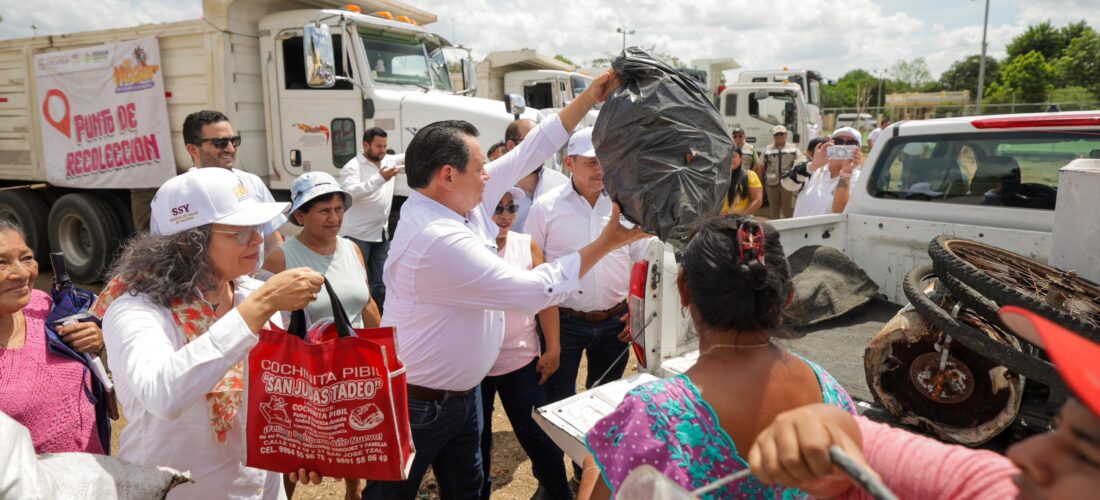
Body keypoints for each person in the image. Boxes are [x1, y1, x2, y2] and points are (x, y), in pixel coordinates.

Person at [365, 70, 645, 500]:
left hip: (460, 398)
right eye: (480, 169)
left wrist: (590, 97)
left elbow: (532, 149)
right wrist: (607, 242)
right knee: (390, 495)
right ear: (447, 175)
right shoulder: (437, 237)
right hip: (422, 405)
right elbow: (531, 290)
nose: (490, 177)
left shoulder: (457, 203)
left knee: (469, 491)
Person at [577, 216, 857, 499]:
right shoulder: (832, 393)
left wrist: (591, 469)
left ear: (684, 289)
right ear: (787, 298)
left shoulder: (652, 416)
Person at [99, 167, 326, 499]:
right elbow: (164, 394)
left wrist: (296, 446)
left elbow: (272, 398)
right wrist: (258, 307)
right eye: (239, 232)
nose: (258, 239)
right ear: (187, 241)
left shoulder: (251, 295)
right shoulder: (136, 310)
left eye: (257, 227)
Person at [745, 305, 1099, 500]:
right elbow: (858, 438)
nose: (1023, 456)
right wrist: (821, 426)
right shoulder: (994, 486)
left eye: (1085, 456)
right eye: (1058, 429)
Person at [264, 172, 379, 500]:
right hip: (305, 375)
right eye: (324, 211)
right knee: (297, 455)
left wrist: (384, 351)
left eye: (339, 209)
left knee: (357, 440)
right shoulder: (280, 259)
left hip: (354, 370)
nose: (335, 217)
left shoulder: (353, 249)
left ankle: (353, 493)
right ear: (300, 216)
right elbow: (263, 315)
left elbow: (366, 302)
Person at [528, 126, 651, 409]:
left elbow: (642, 260)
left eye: (604, 160)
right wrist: (551, 339)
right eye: (591, 162)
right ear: (569, 163)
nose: (600, 169)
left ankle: (590, 454)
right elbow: (536, 268)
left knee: (605, 402)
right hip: (563, 322)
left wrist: (635, 309)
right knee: (558, 403)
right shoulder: (545, 208)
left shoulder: (627, 206)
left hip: (615, 324)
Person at [478, 188, 570, 499]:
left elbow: (546, 299)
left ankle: (558, 493)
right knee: (477, 444)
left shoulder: (526, 245)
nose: (504, 215)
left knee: (539, 438)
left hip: (520, 362)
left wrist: (553, 348)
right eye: (496, 207)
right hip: (475, 369)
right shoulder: (468, 248)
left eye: (510, 207)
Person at [0, 220, 108, 455]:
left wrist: (95, 341)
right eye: (1, 263)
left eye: (26, 258)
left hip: (93, 474)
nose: (22, 273)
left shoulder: (43, 305)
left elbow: (81, 360)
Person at [183, 110, 286, 268]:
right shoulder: (177, 194)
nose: (231, 149)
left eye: (234, 140)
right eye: (220, 142)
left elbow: (273, 241)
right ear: (193, 149)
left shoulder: (253, 183)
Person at [338, 128, 404, 311]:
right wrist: (380, 178)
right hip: (357, 236)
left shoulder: (387, 160)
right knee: (357, 282)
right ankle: (357, 320)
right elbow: (350, 194)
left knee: (382, 282)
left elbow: (408, 156)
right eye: (378, 146)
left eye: (384, 146)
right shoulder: (352, 167)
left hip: (380, 234)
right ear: (365, 145)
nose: (382, 150)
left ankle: (380, 321)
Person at [506, 118, 569, 232]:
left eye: (544, 143)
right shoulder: (493, 187)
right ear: (511, 146)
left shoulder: (563, 184)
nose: (542, 149)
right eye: (533, 142)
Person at [791, 127, 865, 218]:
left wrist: (846, 173)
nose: (843, 146)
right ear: (830, 144)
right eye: (838, 141)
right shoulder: (813, 170)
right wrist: (813, 165)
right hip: (799, 231)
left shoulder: (860, 180)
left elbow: (839, 211)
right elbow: (788, 185)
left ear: (858, 150)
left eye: (851, 143)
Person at [755, 125, 805, 219]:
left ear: (786, 135)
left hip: (788, 183)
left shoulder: (794, 148)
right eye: (776, 134)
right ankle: (776, 230)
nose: (779, 136)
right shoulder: (767, 149)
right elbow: (760, 166)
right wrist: (759, 184)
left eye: (781, 134)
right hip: (771, 185)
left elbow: (801, 163)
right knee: (774, 211)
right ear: (774, 136)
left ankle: (789, 230)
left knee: (788, 210)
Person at [721, 145, 763, 215]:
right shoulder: (717, 177)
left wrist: (741, 218)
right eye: (727, 157)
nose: (730, 159)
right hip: (718, 221)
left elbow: (757, 200)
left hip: (739, 221)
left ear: (741, 158)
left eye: (733, 156)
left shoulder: (750, 175)